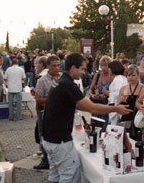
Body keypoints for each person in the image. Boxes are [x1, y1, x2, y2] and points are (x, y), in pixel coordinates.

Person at [42, 53, 132, 183]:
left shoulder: (59, 82)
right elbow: (92, 108)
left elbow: (82, 105)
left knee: (54, 175)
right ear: (73, 68)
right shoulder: (68, 84)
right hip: (60, 141)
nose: (84, 73)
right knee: (70, 176)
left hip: (49, 138)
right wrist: (116, 108)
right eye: (83, 69)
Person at [34, 56, 61, 170]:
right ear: (48, 66)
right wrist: (52, 98)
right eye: (53, 66)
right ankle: (46, 160)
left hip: (60, 112)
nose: (56, 68)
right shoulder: (42, 80)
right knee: (44, 136)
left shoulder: (62, 78)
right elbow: (38, 99)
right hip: (46, 111)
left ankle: (58, 159)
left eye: (58, 65)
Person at [118, 65, 144, 134]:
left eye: (133, 75)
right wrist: (121, 102)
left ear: (138, 75)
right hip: (125, 118)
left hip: (137, 118)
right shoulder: (123, 88)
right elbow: (117, 106)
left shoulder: (143, 88)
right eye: (129, 75)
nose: (130, 78)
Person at [89, 56, 112, 130]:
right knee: (94, 128)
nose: (104, 68)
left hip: (106, 107)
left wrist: (106, 95)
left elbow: (114, 93)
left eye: (106, 65)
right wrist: (92, 95)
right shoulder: (97, 75)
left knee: (104, 129)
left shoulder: (112, 77)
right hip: (96, 105)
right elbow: (91, 89)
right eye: (102, 65)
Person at [107, 60, 128, 125]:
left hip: (116, 110)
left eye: (109, 69)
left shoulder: (118, 79)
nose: (108, 70)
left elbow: (118, 93)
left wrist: (108, 94)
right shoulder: (123, 78)